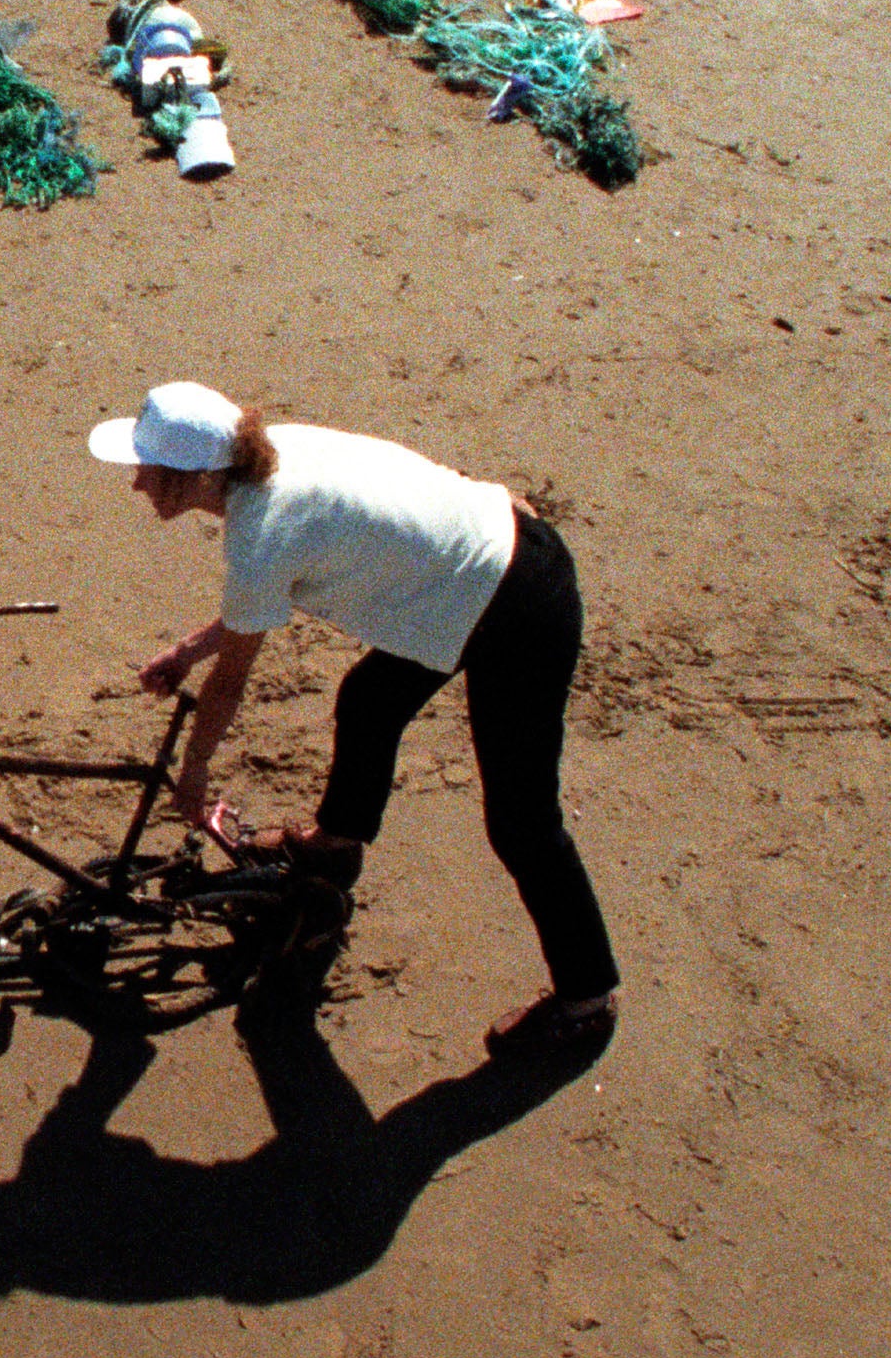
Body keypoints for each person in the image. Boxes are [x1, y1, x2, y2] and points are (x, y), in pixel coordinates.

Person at [93, 380, 618, 1056]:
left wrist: (190, 777)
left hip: (513, 610)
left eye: (145, 469)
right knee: (370, 698)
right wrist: (189, 649)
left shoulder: (260, 532)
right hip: (486, 555)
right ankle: (333, 845)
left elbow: (231, 686)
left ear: (190, 476)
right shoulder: (275, 451)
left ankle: (587, 998)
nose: (136, 483)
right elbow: (260, 599)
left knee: (522, 823)